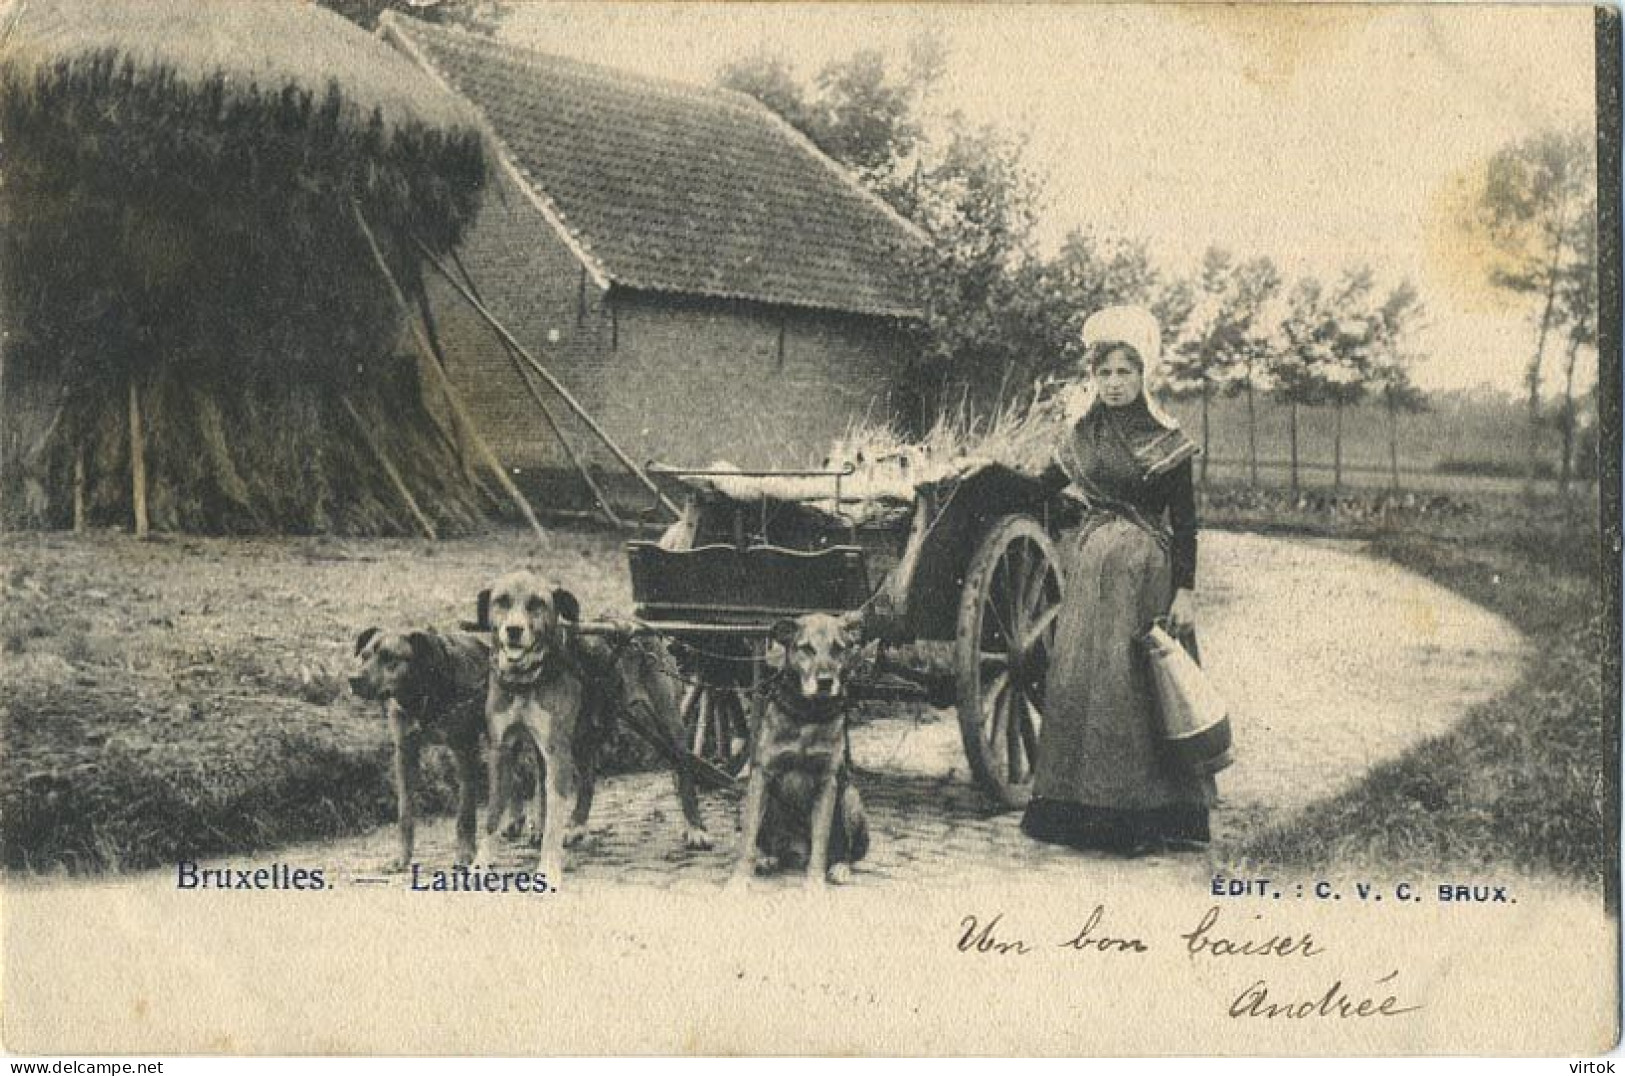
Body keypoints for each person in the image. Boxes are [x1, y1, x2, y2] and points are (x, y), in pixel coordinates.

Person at [1020, 305, 1217, 855]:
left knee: (1131, 690)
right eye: (1104, 373)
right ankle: (1075, 812)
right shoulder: (1082, 434)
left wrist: (1185, 591)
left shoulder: (1166, 439)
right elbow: (1039, 485)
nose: (1113, 384)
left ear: (1143, 375)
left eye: (1124, 373)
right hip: (1089, 579)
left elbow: (1186, 522)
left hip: (1142, 578)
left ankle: (1142, 819)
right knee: (1080, 684)